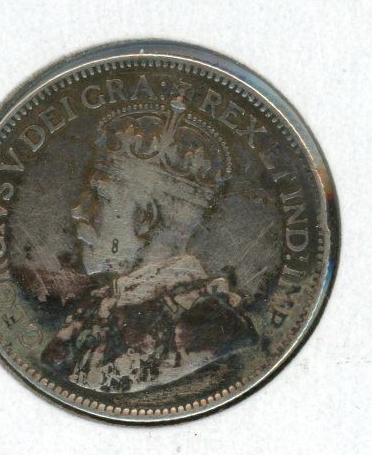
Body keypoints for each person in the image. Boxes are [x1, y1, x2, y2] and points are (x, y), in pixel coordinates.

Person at [41, 100, 257, 393]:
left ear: (145, 219)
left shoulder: (212, 328)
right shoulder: (104, 303)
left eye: (100, 197)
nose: (79, 210)